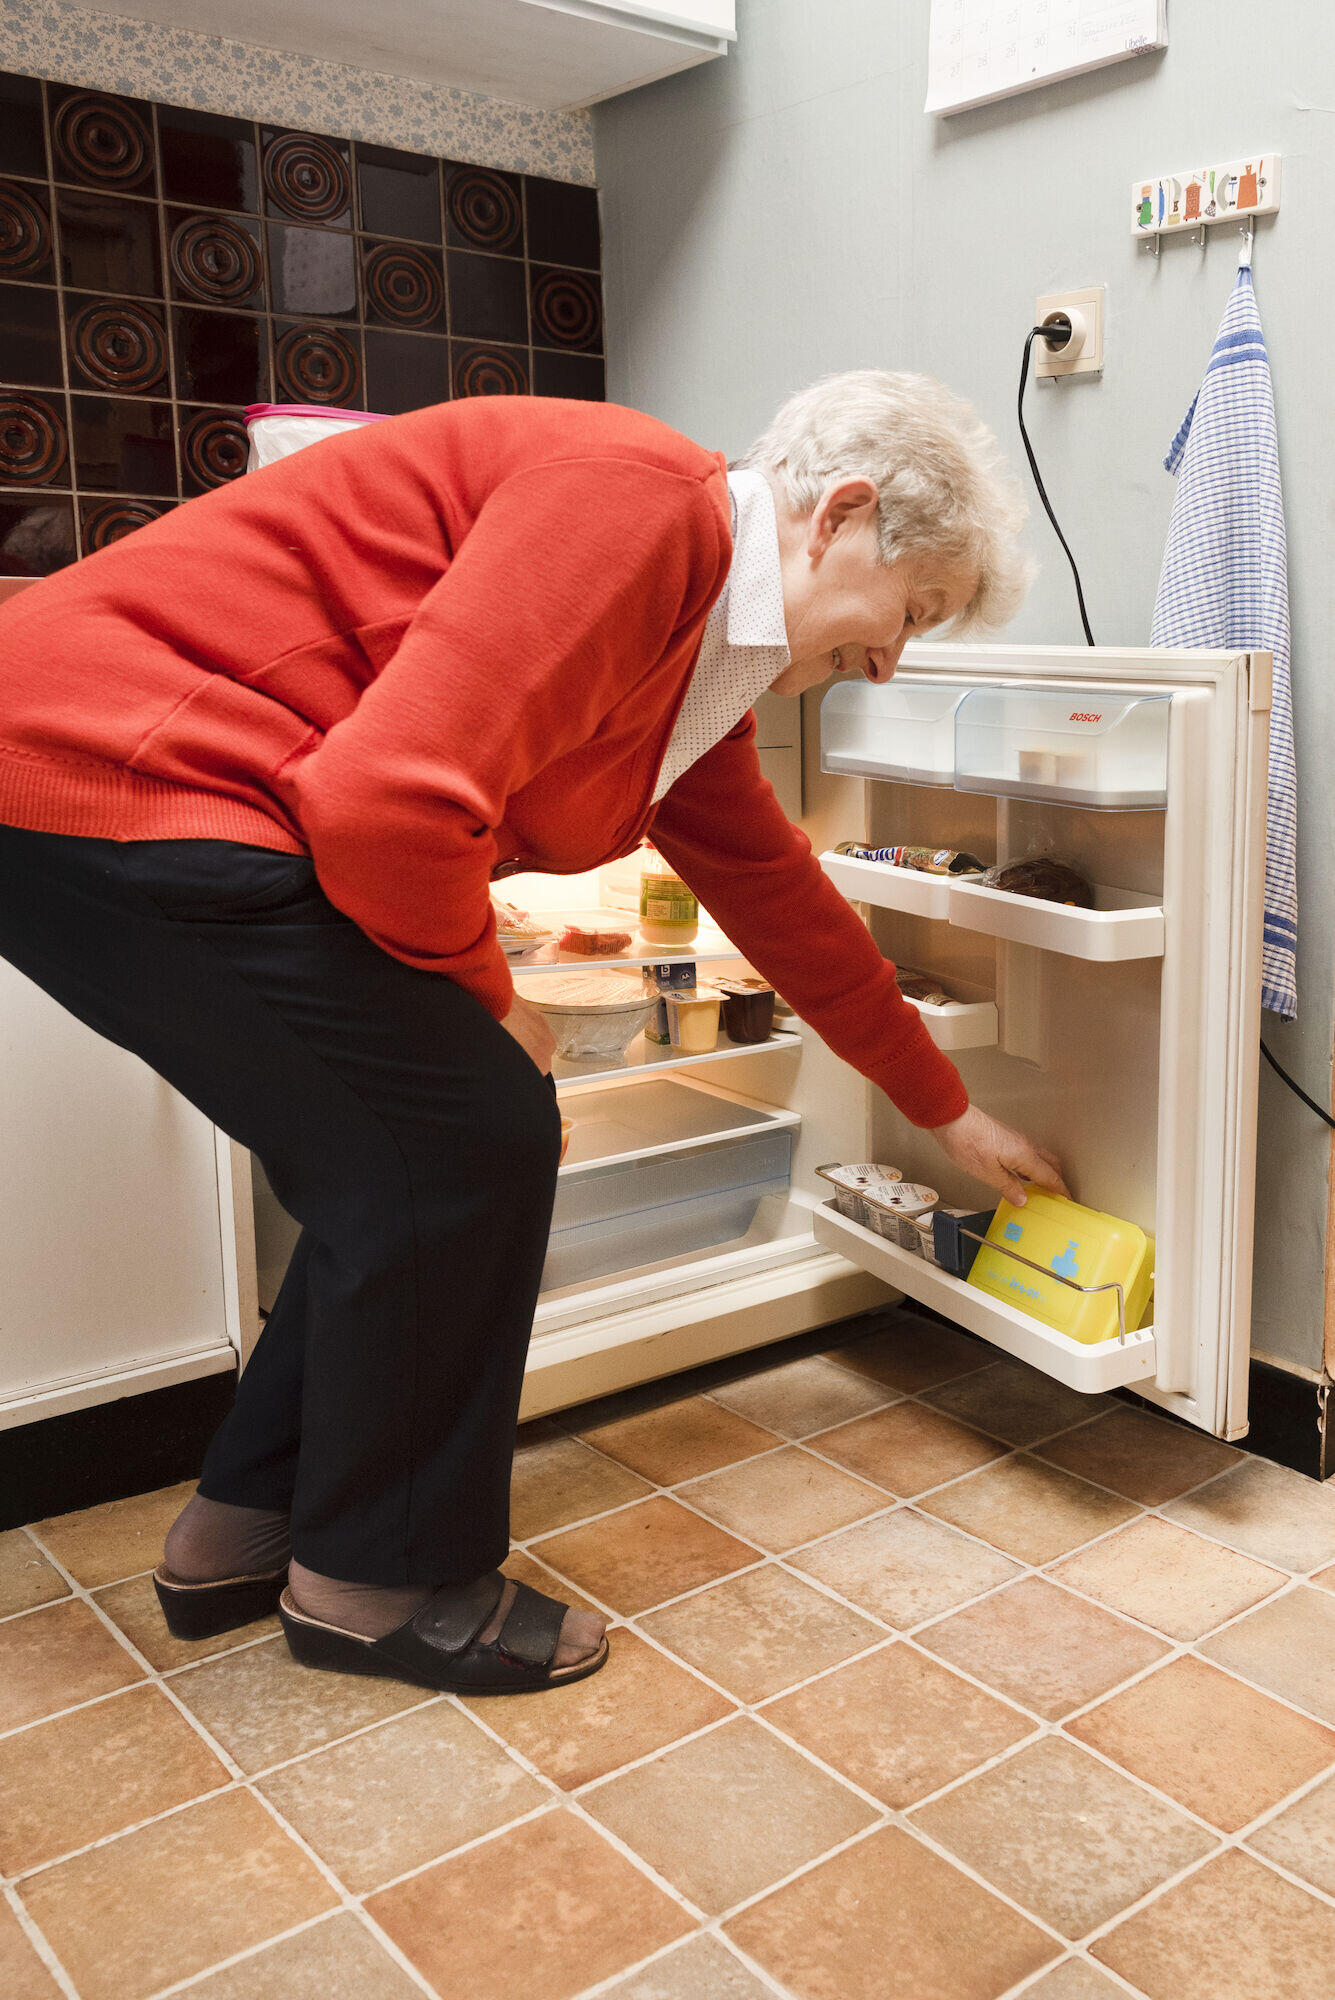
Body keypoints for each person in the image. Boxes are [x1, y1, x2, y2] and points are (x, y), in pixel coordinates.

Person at [0, 371, 1065, 1697]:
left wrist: (945, 1104)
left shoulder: (693, 666)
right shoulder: (643, 508)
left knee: (389, 1161)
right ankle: (382, 1586)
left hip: (95, 774)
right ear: (835, 517)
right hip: (121, 763)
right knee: (471, 1137)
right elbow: (386, 806)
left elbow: (780, 894)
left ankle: (248, 1528)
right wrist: (499, 1014)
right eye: (910, 611)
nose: (898, 657)